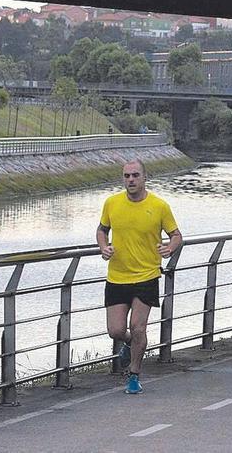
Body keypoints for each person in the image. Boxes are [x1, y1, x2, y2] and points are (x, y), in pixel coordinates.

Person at [97, 159, 182, 394]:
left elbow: (176, 234)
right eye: (126, 176)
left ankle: (134, 375)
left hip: (146, 275)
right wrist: (104, 247)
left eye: (135, 175)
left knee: (138, 327)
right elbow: (102, 230)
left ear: (145, 177)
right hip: (117, 276)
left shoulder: (159, 206)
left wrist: (170, 247)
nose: (131, 180)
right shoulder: (112, 203)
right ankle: (128, 343)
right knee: (115, 330)